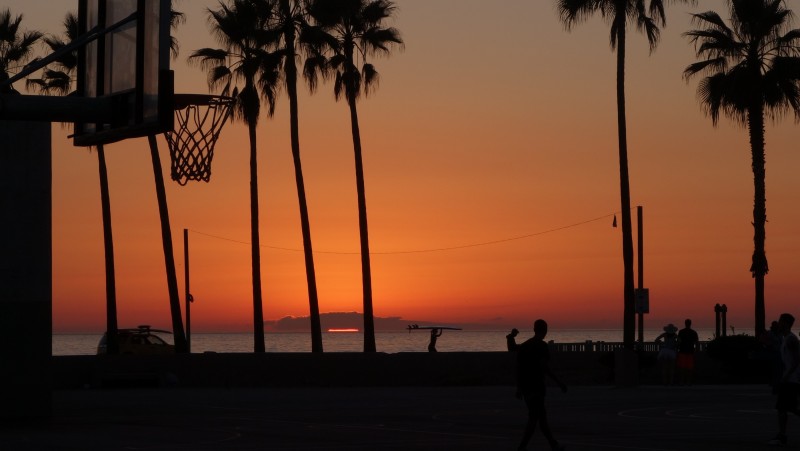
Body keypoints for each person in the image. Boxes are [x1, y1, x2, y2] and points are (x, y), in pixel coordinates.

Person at [507, 320, 567, 451]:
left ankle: (553, 444)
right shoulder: (542, 346)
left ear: (534, 329)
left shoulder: (525, 346)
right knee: (535, 418)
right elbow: (544, 367)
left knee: (541, 417)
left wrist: (510, 337)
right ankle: (522, 447)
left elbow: (517, 364)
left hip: (526, 387)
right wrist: (559, 382)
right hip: (536, 387)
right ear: (545, 330)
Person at [769, 313, 800, 446]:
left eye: (780, 322)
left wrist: (787, 376)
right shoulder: (785, 338)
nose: (778, 324)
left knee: (784, 408)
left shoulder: (791, 340)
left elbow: (797, 360)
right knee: (788, 408)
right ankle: (782, 435)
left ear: (786, 324)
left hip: (791, 380)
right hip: (789, 379)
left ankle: (782, 436)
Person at [676, 319, 699, 385]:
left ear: (685, 323)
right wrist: (697, 351)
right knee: (689, 368)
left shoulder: (681, 332)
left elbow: (678, 342)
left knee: (682, 368)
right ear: (690, 324)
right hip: (690, 352)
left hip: (682, 351)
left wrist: (677, 350)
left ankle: (682, 381)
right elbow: (696, 343)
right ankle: (688, 381)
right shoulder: (693, 332)